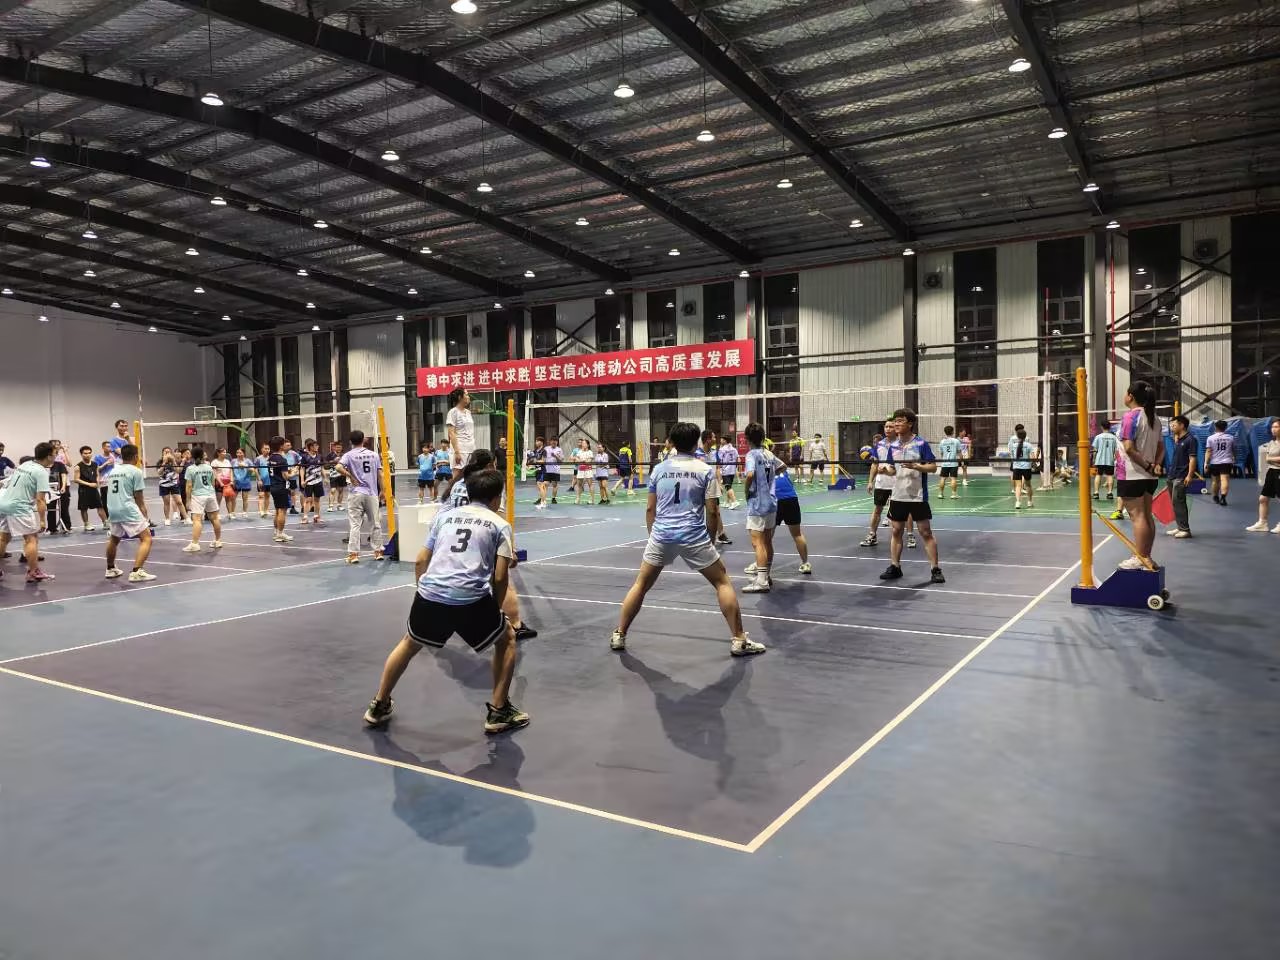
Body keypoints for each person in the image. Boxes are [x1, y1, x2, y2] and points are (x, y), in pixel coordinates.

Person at [362, 468, 530, 735]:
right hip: (470, 599)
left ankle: (379, 704)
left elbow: (420, 560)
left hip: (430, 594)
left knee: (409, 642)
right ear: (497, 498)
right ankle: (499, 711)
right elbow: (500, 577)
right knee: (507, 638)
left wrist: (424, 594)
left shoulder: (444, 518)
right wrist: (496, 610)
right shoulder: (500, 524)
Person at [609, 422, 763, 657]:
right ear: (695, 443)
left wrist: (654, 537)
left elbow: (650, 509)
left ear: (671, 442)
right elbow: (713, 511)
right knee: (722, 582)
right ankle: (739, 639)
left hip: (662, 535)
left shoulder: (658, 470)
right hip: (694, 536)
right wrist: (710, 540)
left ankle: (619, 634)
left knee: (640, 585)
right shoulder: (705, 470)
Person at [879, 409, 945, 584]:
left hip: (917, 496)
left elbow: (933, 467)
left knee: (925, 532)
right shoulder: (893, 446)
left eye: (900, 421)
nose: (896, 424)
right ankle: (895, 566)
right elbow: (893, 469)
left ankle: (935, 569)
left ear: (910, 423)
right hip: (898, 495)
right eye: (895, 421)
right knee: (896, 531)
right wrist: (885, 469)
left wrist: (916, 466)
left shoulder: (921, 443)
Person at [1114, 381, 1164, 570]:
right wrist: (1155, 465)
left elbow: (1128, 448)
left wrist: (1148, 465)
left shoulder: (1131, 417)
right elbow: (1161, 447)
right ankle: (1146, 557)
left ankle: (1140, 557)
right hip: (1148, 477)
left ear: (1131, 396)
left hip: (1132, 473)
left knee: (1137, 517)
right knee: (1146, 516)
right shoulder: (1154, 418)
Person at [0, 442, 56, 583]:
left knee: (3, 538)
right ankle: (33, 572)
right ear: (49, 456)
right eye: (55, 454)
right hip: (20, 507)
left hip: (4, 503)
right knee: (31, 538)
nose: (55, 457)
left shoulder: (25, 464)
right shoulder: (41, 472)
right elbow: (40, 499)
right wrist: (42, 520)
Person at [103, 443, 155, 582]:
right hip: (127, 508)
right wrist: (145, 516)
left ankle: (110, 569)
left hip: (112, 508)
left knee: (114, 539)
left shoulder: (113, 471)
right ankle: (137, 571)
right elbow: (139, 498)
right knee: (147, 538)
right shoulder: (135, 471)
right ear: (136, 457)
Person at [740, 422, 782, 593]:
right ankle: (766, 576)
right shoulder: (769, 453)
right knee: (767, 542)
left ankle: (762, 581)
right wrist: (769, 479)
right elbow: (783, 466)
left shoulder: (751, 455)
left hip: (757, 503)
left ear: (747, 438)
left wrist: (746, 491)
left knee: (757, 543)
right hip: (771, 502)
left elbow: (750, 474)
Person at [337, 429, 384, 563]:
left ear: (350, 441)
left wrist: (350, 476)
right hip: (371, 493)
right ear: (363, 440)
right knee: (375, 523)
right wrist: (383, 491)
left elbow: (338, 467)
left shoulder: (349, 455)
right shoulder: (374, 455)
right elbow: (380, 474)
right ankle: (378, 552)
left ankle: (354, 555)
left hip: (356, 493)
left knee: (355, 525)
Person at [760, 462, 811, 575]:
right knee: (797, 534)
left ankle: (760, 564)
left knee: (767, 537)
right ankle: (806, 563)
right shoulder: (783, 470)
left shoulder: (763, 471)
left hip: (776, 501)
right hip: (792, 499)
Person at [182, 447, 224, 553]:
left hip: (198, 496)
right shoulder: (209, 467)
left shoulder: (190, 469)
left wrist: (188, 500)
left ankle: (195, 544)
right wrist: (211, 492)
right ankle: (218, 541)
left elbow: (189, 486)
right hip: (210, 494)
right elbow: (213, 482)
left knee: (197, 520)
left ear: (192, 456)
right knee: (215, 518)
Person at [861, 424, 896, 546]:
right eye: (886, 427)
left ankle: (900, 538)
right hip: (882, 483)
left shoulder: (901, 444)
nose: (888, 429)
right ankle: (872, 535)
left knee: (897, 512)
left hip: (898, 483)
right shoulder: (879, 445)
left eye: (891, 427)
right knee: (877, 510)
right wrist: (870, 481)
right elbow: (875, 464)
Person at [1245, 418, 1280, 534]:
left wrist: (1271, 459)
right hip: (1271, 472)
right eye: (1272, 427)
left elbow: (1269, 458)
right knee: (1263, 498)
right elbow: (1267, 458)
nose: (1273, 429)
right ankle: (1262, 523)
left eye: (1276, 427)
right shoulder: (1271, 443)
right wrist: (1273, 459)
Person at [1166, 415, 1196, 539]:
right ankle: (1179, 527)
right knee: (1175, 503)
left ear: (1182, 425)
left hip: (1182, 475)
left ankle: (1185, 530)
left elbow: (1192, 459)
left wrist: (1189, 475)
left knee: (1179, 502)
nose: (1171, 427)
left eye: (1174, 425)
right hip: (1172, 475)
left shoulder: (1190, 439)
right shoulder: (1179, 439)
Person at [444, 387, 475, 502]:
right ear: (459, 397)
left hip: (470, 448)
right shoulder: (453, 412)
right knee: (457, 478)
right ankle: (453, 501)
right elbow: (451, 433)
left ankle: (468, 500)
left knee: (470, 477)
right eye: (466, 394)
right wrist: (457, 452)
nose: (468, 397)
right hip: (459, 449)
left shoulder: (468, 412)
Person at [75, 444, 108, 532]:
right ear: (81, 454)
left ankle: (105, 522)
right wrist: (89, 484)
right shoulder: (78, 466)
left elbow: (97, 474)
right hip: (83, 490)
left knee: (100, 506)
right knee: (83, 508)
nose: (87, 455)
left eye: (89, 453)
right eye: (85, 453)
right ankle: (86, 524)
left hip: (94, 489)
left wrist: (97, 481)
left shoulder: (95, 464)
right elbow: (76, 479)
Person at [1205, 419, 1235, 506]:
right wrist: (1234, 458)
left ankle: (1215, 497)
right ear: (1225, 428)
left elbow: (1209, 451)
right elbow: (1233, 450)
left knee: (1215, 481)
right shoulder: (1231, 438)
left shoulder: (1210, 438)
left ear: (1216, 427)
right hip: (1226, 462)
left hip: (1215, 462)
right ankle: (1223, 498)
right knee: (1224, 480)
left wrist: (1206, 463)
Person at [45, 447, 71, 535]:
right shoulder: (43, 466)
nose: (52, 456)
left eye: (54, 454)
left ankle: (66, 527)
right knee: (51, 508)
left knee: (64, 508)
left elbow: (64, 475)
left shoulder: (59, 464)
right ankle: (52, 528)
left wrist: (63, 486)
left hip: (61, 489)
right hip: (49, 490)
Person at [1092, 420, 1119, 501]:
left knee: (1098, 475)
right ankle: (1109, 493)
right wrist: (1115, 458)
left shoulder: (1098, 437)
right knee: (1110, 475)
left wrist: (1094, 459)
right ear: (1110, 427)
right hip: (1110, 460)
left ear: (1101, 427)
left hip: (1100, 460)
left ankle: (1096, 493)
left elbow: (1095, 450)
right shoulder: (1114, 437)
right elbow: (1116, 450)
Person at [1011, 428, 1037, 510]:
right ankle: (1029, 502)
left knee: (1018, 486)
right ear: (1025, 436)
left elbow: (1012, 457)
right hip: (1026, 468)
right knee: (1028, 485)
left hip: (1016, 467)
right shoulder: (1029, 445)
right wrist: (1034, 464)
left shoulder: (1014, 445)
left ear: (1017, 436)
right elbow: (1033, 457)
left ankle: (1018, 503)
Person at [158, 450, 185, 525]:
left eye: (169, 452)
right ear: (163, 453)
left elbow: (178, 471)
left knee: (179, 501)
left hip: (174, 484)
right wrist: (164, 463)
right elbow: (159, 472)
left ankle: (186, 518)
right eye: (166, 452)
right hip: (164, 485)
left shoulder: (173, 462)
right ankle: (167, 518)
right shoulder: (160, 462)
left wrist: (173, 462)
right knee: (166, 502)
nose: (168, 454)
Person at [937, 425, 962, 499]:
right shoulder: (956, 441)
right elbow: (959, 453)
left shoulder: (942, 442)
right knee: (953, 479)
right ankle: (954, 494)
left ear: (945, 432)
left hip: (945, 463)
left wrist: (944, 459)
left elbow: (941, 453)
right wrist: (962, 461)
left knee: (942, 478)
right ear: (952, 432)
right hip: (953, 463)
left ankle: (940, 494)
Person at [211, 447, 235, 519]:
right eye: (223, 452)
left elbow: (230, 471)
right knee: (218, 499)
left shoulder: (227, 461)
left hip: (228, 483)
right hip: (219, 483)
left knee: (228, 499)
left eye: (225, 452)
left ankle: (230, 514)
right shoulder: (214, 462)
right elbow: (214, 473)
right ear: (218, 453)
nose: (225, 453)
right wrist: (220, 482)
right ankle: (217, 514)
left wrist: (231, 480)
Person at [719, 437, 740, 509]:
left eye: (721, 439)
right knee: (729, 486)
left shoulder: (722, 449)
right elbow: (737, 458)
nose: (720, 440)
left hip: (726, 470)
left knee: (728, 487)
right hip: (732, 470)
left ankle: (734, 501)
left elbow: (720, 460)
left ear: (725, 441)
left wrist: (720, 470)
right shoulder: (734, 449)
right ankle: (727, 502)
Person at [232, 449, 254, 519]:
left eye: (240, 453)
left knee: (245, 498)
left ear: (243, 453)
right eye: (237, 452)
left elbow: (252, 470)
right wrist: (232, 480)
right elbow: (231, 470)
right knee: (233, 498)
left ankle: (244, 512)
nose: (239, 454)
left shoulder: (248, 461)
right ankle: (232, 512)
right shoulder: (233, 461)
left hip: (245, 481)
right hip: (236, 481)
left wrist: (244, 466)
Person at [542, 435, 562, 506]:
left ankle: (553, 498)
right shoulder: (546, 449)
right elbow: (543, 458)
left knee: (554, 484)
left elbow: (560, 461)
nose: (554, 442)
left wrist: (555, 456)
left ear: (557, 442)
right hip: (547, 470)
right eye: (553, 441)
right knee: (545, 484)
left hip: (555, 470)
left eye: (555, 441)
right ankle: (544, 500)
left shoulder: (559, 450)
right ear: (550, 441)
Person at [254, 442, 271, 518]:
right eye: (265, 448)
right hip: (261, 481)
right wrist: (259, 480)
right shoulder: (258, 459)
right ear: (262, 450)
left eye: (268, 449)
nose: (267, 450)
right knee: (261, 496)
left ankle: (266, 510)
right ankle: (261, 511)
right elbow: (255, 469)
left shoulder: (271, 459)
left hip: (269, 481)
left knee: (267, 495)